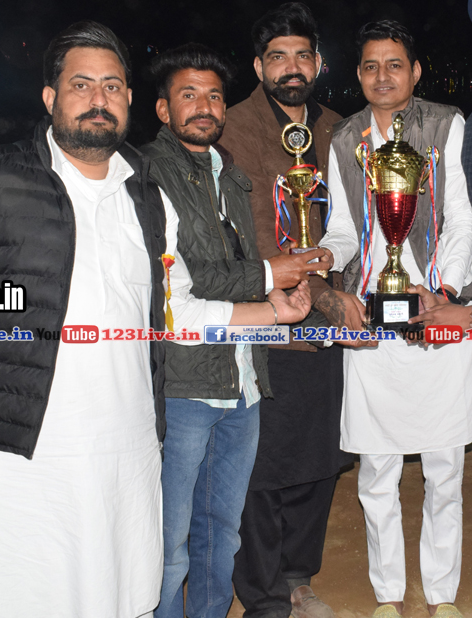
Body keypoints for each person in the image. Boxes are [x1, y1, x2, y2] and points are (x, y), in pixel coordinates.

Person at [0, 21, 312, 618]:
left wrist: (270, 311)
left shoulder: (147, 197)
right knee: (18, 596)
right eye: (81, 84)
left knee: (121, 594)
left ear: (129, 99)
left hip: (126, 452)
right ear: (50, 97)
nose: (98, 98)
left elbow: (179, 313)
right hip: (16, 455)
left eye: (112, 86)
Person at [141, 44, 332, 618]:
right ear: (162, 109)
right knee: (170, 544)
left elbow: (238, 274)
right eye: (189, 95)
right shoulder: (148, 175)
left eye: (214, 96)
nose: (204, 106)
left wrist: (278, 302)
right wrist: (274, 274)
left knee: (221, 534)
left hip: (244, 382)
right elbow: (191, 279)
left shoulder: (230, 176)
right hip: (184, 387)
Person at [317, 20, 472, 618]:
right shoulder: (345, 138)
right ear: (358, 74)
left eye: (394, 64)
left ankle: (442, 595)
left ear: (415, 71)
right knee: (376, 470)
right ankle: (388, 593)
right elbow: (342, 226)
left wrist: (443, 290)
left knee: (445, 470)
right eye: (369, 66)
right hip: (372, 315)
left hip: (437, 311)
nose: (381, 76)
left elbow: (461, 217)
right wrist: (323, 259)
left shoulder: (446, 125)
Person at [222, 2, 357, 618]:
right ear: (259, 66)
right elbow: (252, 227)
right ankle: (264, 594)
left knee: (320, 456)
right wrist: (320, 292)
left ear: (319, 63)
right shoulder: (236, 125)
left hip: (332, 318)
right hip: (268, 316)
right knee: (265, 462)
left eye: (302, 55)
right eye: (277, 57)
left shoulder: (341, 129)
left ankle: (299, 577)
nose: (291, 67)